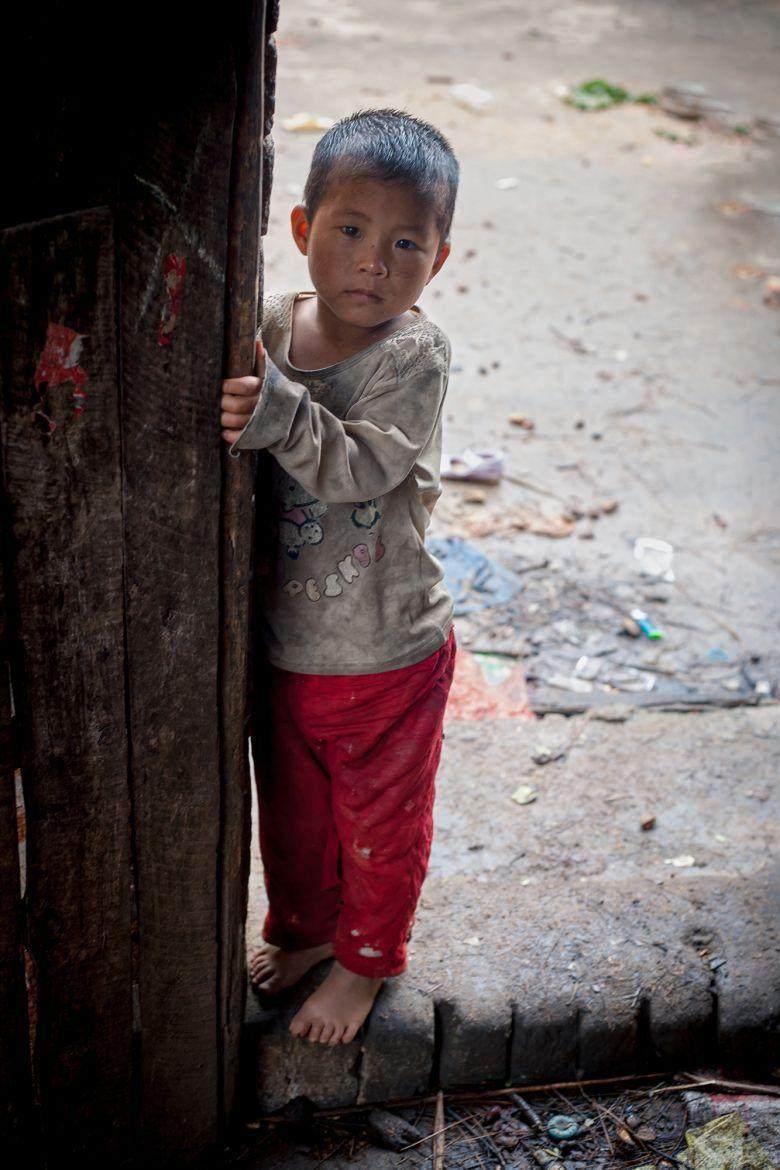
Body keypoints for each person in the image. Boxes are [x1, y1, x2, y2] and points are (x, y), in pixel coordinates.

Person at [219, 108, 459, 1046]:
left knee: (379, 826)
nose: (374, 262)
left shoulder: (413, 356)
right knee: (296, 817)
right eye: (352, 230)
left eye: (406, 242)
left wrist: (278, 410)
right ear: (303, 229)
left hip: (386, 649)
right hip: (288, 645)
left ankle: (366, 965)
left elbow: (362, 466)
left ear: (437, 262)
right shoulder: (272, 324)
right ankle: (312, 932)